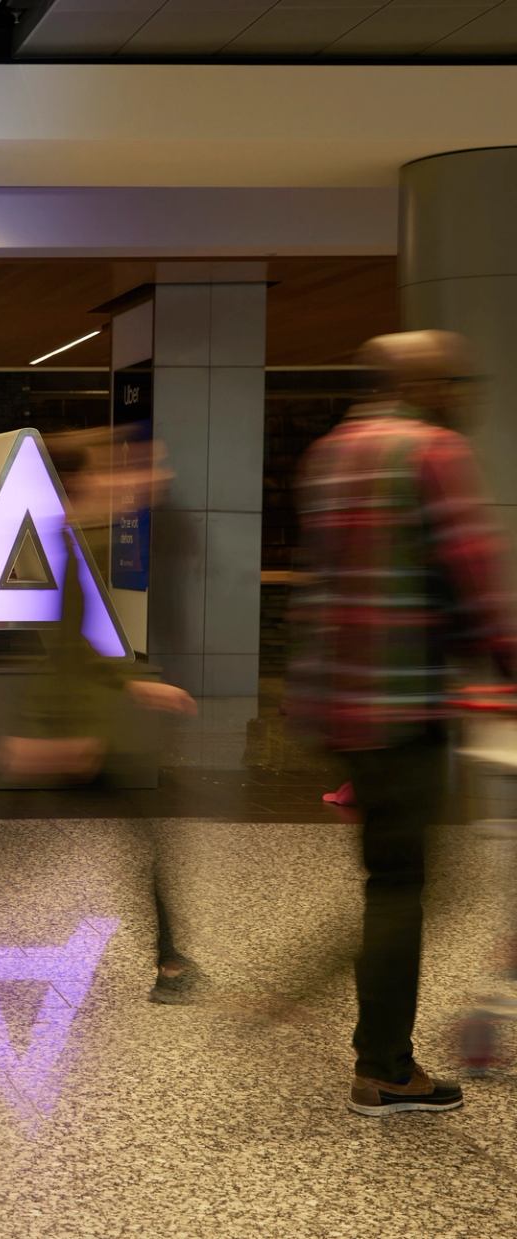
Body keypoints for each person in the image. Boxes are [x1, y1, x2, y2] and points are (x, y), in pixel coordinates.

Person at [290, 329, 514, 1117]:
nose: (462, 389)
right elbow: (474, 577)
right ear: (428, 384)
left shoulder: (332, 453)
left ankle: (369, 1045)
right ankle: (383, 1065)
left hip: (338, 707)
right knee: (402, 883)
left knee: (390, 875)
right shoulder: (434, 453)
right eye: (453, 377)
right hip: (404, 706)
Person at [0, 427, 198, 998]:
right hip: (80, 736)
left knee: (14, 845)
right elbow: (67, 645)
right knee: (28, 848)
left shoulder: (78, 536)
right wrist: (62, 731)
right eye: (142, 467)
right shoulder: (82, 541)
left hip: (76, 730)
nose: (156, 477)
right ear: (101, 478)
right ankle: (171, 966)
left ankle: (171, 961)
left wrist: (132, 686)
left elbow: (74, 644)